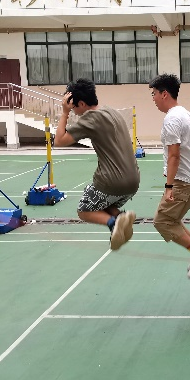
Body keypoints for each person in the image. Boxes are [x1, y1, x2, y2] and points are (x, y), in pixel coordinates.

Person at [54, 78, 138, 251]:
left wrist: (64, 113)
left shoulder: (91, 118)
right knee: (102, 202)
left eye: (73, 107)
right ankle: (119, 216)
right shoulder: (112, 111)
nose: (74, 111)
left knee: (84, 209)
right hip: (133, 182)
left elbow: (59, 141)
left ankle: (113, 223)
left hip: (113, 181)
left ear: (82, 103)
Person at [149, 74, 190, 278]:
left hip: (185, 182)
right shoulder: (183, 113)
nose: (153, 98)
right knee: (172, 219)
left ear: (164, 94)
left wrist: (169, 187)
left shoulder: (172, 119)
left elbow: (174, 155)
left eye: (154, 94)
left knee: (162, 221)